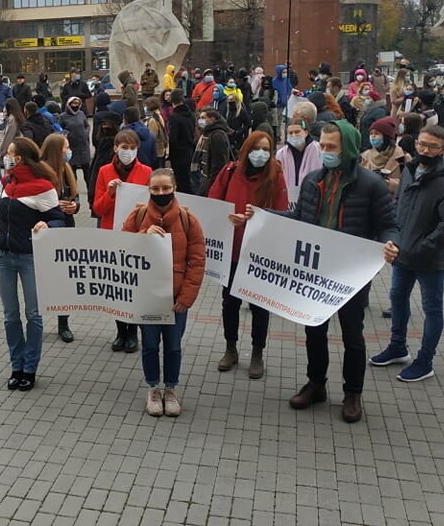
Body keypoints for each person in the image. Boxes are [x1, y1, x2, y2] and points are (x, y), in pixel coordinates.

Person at [252, 121, 399, 423]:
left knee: (352, 335)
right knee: (314, 329)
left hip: (350, 273)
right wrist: (261, 216)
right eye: (323, 146)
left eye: (332, 147)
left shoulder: (371, 185)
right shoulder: (313, 180)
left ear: (349, 149)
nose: (325, 151)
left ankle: (353, 393)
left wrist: (391, 243)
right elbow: (299, 217)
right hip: (315, 269)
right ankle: (316, 384)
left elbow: (389, 224)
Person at [373, 124, 444, 382]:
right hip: (403, 252)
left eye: (432, 147)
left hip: (430, 258)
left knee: (432, 308)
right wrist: (394, 237)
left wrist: (422, 247)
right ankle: (397, 347)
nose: (425, 150)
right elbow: (398, 205)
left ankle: (425, 361)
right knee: (397, 298)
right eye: (421, 144)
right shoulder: (410, 170)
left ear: (443, 149)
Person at [122, 168, 205, 416]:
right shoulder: (138, 216)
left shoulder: (189, 220)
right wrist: (142, 236)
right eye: (155, 189)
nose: (161, 193)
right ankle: (153, 388)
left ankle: (170, 389)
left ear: (174, 188)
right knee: (149, 345)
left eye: (166, 188)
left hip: (176, 300)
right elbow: (121, 250)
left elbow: (197, 262)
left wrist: (186, 298)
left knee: (173, 346)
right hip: (147, 298)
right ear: (148, 190)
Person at [0, 137, 64, 392]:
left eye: (9, 153)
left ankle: (30, 368)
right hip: (2, 256)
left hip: (30, 257)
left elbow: (58, 219)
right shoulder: (7, 181)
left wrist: (47, 224)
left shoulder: (43, 186)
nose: (4, 157)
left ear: (20, 158)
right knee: (10, 315)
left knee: (33, 315)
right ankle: (16, 366)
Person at [208, 131, 288, 379]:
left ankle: (257, 353)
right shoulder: (230, 171)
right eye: (256, 148)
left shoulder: (276, 174)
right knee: (230, 302)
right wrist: (226, 216)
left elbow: (283, 212)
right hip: (232, 249)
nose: (260, 154)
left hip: (259, 253)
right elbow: (213, 201)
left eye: (266, 149)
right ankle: (230, 348)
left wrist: (258, 218)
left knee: (259, 305)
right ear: (246, 149)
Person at [92, 130, 153, 353]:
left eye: (132, 148)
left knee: (133, 284)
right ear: (115, 148)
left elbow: (153, 205)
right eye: (124, 147)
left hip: (136, 234)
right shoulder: (104, 171)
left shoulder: (146, 171)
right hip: (112, 233)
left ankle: (133, 332)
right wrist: (109, 193)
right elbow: (97, 208)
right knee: (116, 285)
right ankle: (120, 331)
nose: (128, 152)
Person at [40, 133, 80, 343]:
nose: (69, 151)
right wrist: (56, 206)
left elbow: (76, 198)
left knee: (65, 279)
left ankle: (63, 323)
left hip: (66, 228)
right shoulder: (40, 173)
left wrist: (74, 206)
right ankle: (36, 321)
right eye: (66, 147)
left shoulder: (66, 169)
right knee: (45, 278)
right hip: (46, 231)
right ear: (56, 150)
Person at [275, 118, 322, 209]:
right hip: (288, 201)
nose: (294, 135)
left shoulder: (318, 150)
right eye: (290, 133)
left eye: (297, 132)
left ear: (306, 132)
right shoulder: (281, 154)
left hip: (311, 200)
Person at [360, 116, 407, 194]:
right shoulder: (365, 156)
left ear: (386, 136)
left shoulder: (401, 157)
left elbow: (405, 184)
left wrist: (386, 182)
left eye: (377, 133)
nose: (373, 137)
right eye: (371, 133)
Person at [191, 108, 232, 196]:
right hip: (205, 178)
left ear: (212, 119)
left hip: (211, 182)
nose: (200, 120)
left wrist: (211, 185)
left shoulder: (217, 135)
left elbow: (219, 164)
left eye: (203, 118)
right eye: (199, 118)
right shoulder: (207, 133)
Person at [59, 96, 92, 195]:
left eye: (77, 103)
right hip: (71, 147)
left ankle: (91, 191)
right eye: (73, 103)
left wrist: (85, 133)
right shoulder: (63, 116)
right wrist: (66, 134)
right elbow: (60, 129)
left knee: (87, 171)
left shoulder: (81, 114)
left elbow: (87, 125)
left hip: (83, 147)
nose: (75, 105)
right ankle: (74, 193)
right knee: (72, 172)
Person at [167, 89, 196, 194]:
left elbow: (173, 139)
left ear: (172, 100)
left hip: (178, 154)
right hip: (189, 150)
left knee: (181, 182)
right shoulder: (191, 114)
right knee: (187, 180)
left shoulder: (174, 117)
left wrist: (170, 156)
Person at [0, 98, 26, 164]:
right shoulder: (18, 117)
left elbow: (8, 137)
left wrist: (0, 152)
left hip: (12, 149)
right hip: (17, 147)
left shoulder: (12, 119)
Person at [145, 97, 169, 167]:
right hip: (161, 148)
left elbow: (152, 136)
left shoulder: (153, 119)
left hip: (157, 150)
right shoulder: (159, 115)